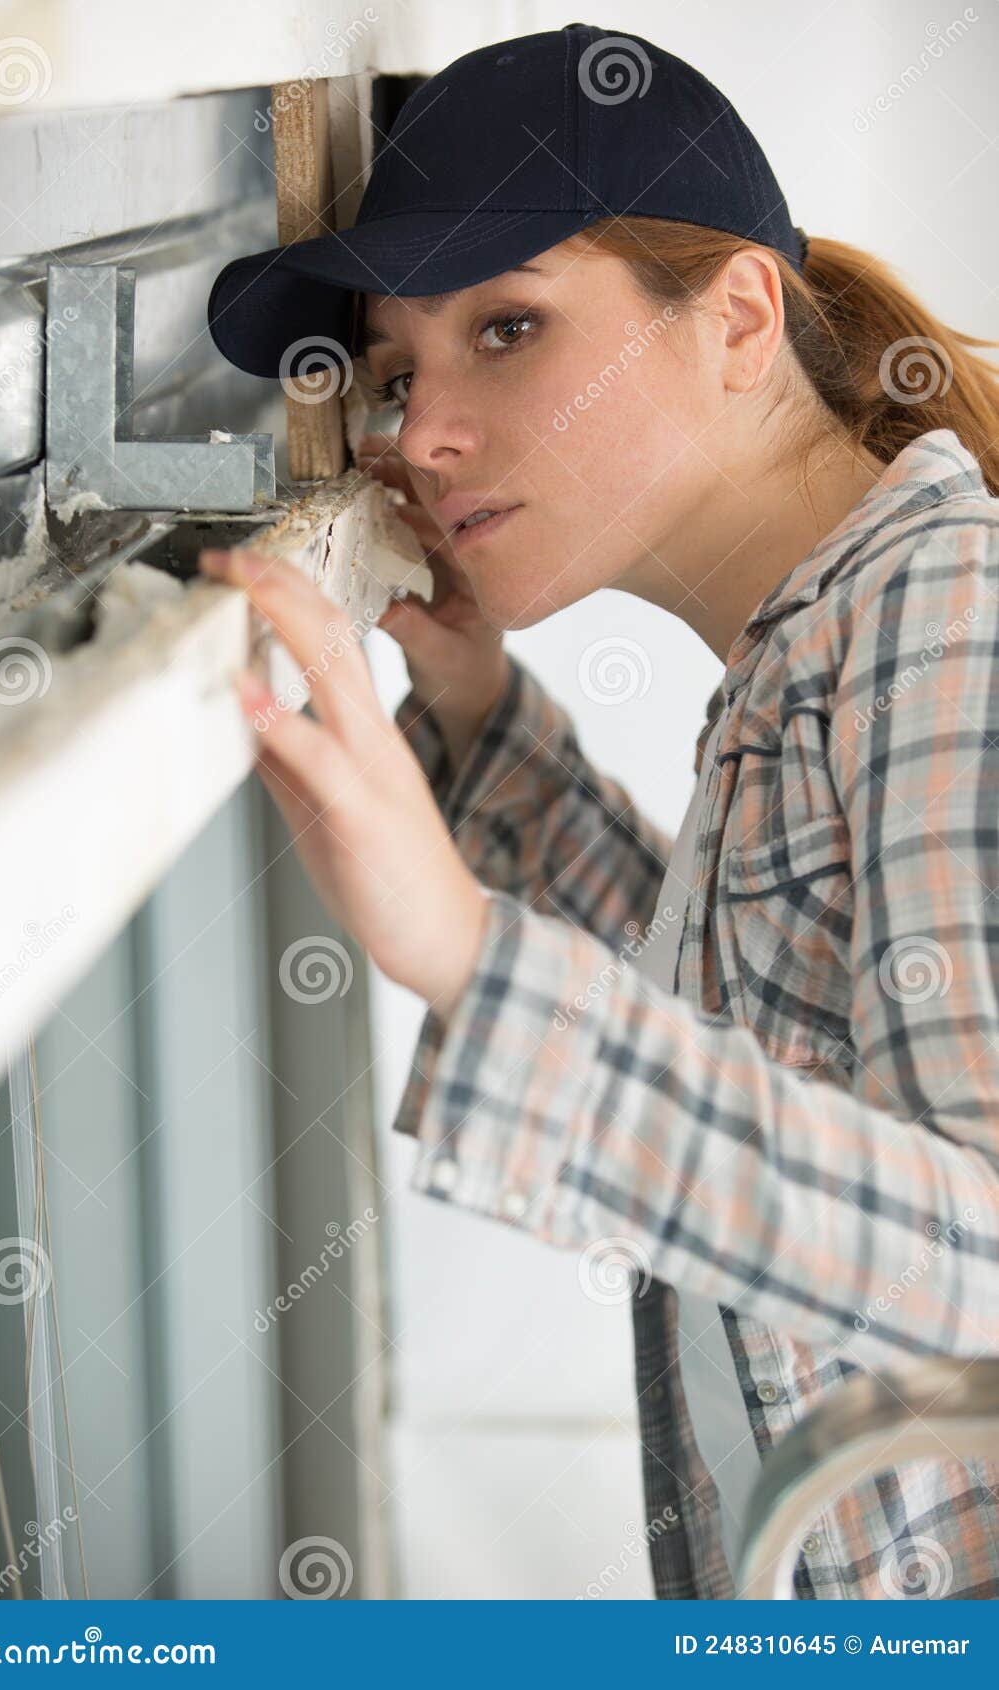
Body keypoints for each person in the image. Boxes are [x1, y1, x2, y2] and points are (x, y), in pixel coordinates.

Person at [202, 24, 999, 1599]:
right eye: (397, 372)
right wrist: (484, 729)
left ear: (737, 318)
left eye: (509, 327)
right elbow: (771, 1031)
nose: (421, 433)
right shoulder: (818, 636)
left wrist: (469, 958)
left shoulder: (949, 614)